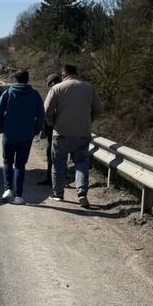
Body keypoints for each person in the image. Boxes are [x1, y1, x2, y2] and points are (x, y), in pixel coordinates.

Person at [44, 64, 102, 208]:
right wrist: (89, 120)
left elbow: (46, 111)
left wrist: (52, 123)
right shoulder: (89, 87)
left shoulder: (57, 88)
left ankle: (58, 193)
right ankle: (82, 193)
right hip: (82, 132)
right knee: (81, 163)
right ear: (77, 73)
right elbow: (98, 108)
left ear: (63, 75)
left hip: (61, 133)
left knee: (58, 164)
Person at [0, 70, 45, 205]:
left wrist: (2, 126)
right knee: (20, 165)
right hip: (26, 136)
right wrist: (35, 131)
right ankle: (18, 196)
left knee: (7, 162)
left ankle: (7, 189)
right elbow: (41, 116)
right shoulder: (34, 95)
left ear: (15, 79)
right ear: (28, 79)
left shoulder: (8, 93)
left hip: (9, 135)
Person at [37, 73, 62, 187]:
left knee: (52, 155)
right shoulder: (66, 91)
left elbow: (46, 112)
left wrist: (44, 129)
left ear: (52, 82)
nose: (49, 86)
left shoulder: (54, 91)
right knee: (60, 156)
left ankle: (51, 179)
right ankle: (57, 179)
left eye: (49, 84)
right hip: (67, 129)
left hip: (54, 129)